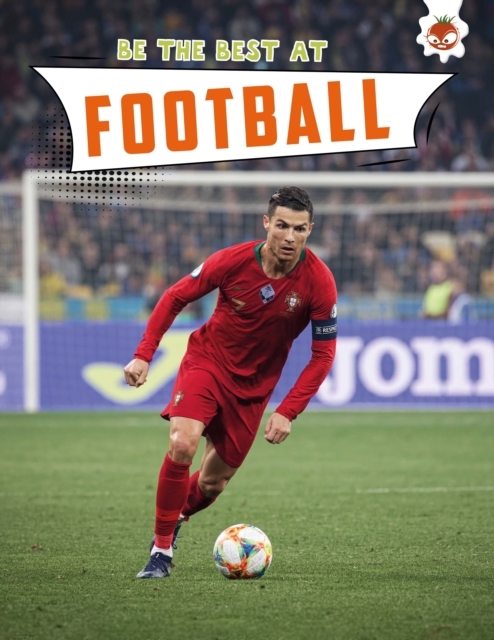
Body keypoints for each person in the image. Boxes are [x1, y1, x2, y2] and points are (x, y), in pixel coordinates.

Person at [123, 187, 338, 579]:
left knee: (212, 482)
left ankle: (176, 516)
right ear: (266, 223)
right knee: (182, 443)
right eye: (282, 226)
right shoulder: (232, 261)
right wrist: (144, 353)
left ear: (310, 229)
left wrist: (288, 411)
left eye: (299, 229)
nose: (290, 237)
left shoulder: (319, 282)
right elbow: (174, 296)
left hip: (254, 390)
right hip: (208, 363)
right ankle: (161, 552)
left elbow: (323, 355)